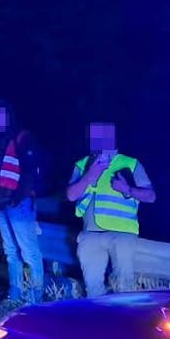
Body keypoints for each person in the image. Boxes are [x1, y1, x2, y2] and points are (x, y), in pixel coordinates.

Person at [65, 122, 155, 296]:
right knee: (93, 290)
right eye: (93, 137)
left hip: (121, 234)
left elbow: (150, 196)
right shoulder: (82, 164)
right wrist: (90, 175)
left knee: (123, 287)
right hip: (90, 234)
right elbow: (71, 195)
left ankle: (124, 320)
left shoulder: (129, 163)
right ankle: (98, 321)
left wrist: (128, 189)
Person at [0, 100, 46, 303]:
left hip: (19, 205)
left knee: (29, 252)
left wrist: (17, 199)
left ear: (9, 117)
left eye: (0, 115)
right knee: (11, 252)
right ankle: (15, 294)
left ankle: (35, 297)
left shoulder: (22, 137)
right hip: (2, 205)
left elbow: (29, 173)